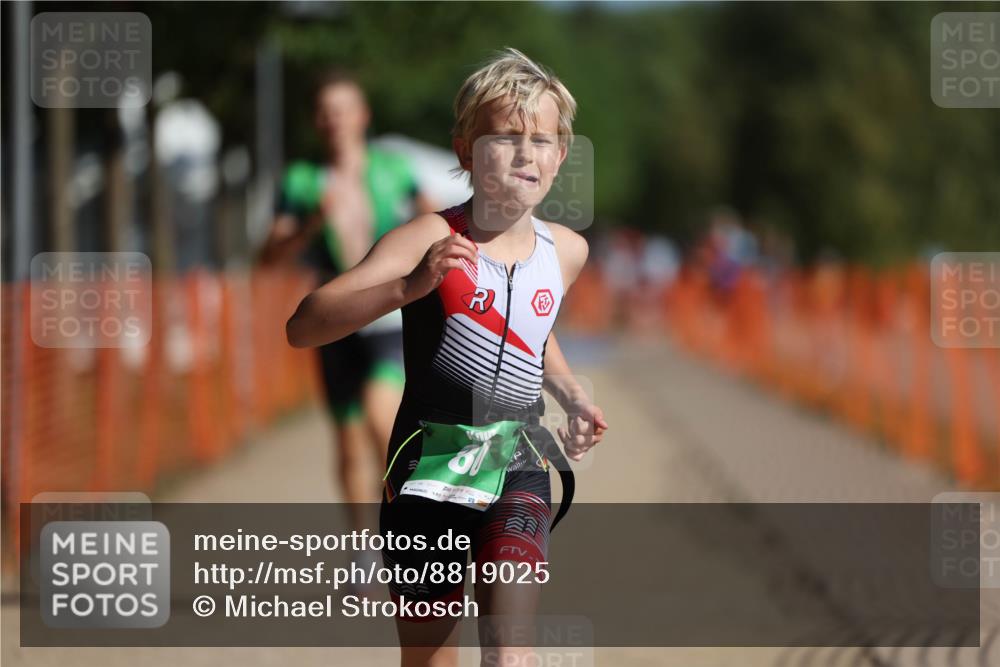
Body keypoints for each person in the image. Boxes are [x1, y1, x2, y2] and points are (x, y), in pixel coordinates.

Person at [287, 48, 608, 666]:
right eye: (505, 137)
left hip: (517, 463)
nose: (526, 153)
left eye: (542, 139)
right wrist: (406, 289)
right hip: (427, 469)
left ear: (562, 155)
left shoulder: (567, 251)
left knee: (511, 655)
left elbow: (529, 335)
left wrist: (572, 395)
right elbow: (303, 326)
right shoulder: (429, 238)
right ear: (465, 151)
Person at [259, 69, 436, 537]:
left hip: (387, 314)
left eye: (342, 109)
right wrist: (309, 225)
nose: (333, 118)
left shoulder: (394, 170)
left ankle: (403, 531)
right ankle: (363, 545)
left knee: (383, 421)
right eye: (324, 111)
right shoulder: (300, 181)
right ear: (316, 121)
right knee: (346, 442)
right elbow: (269, 257)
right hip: (334, 321)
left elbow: (439, 221)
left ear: (363, 116)